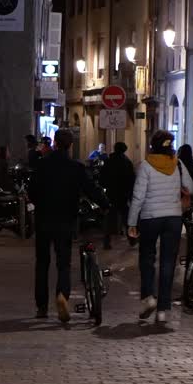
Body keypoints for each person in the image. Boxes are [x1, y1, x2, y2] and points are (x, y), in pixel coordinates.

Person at [29, 128, 108, 322]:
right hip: (65, 219)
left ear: (55, 143)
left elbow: (32, 191)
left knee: (42, 263)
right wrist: (106, 204)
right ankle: (62, 296)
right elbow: (91, 189)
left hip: (44, 219)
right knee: (63, 263)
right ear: (70, 145)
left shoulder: (42, 165)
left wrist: (40, 203)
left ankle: (41, 307)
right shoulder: (76, 167)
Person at [128, 131, 193, 323]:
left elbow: (138, 197)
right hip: (173, 218)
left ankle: (148, 297)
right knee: (168, 262)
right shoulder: (178, 164)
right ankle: (163, 310)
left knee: (147, 258)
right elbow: (190, 188)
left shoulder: (146, 166)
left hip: (150, 218)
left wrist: (132, 222)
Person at [100, 141, 135, 249]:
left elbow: (103, 177)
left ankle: (106, 241)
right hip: (123, 194)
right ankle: (132, 239)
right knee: (127, 218)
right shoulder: (127, 162)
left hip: (111, 193)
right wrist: (130, 194)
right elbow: (131, 179)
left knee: (109, 218)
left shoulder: (108, 161)